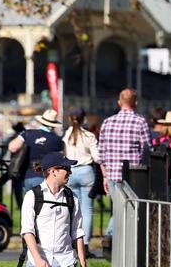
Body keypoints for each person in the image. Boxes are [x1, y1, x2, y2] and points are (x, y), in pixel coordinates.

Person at [97, 88, 151, 246]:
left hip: (112, 174)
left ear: (119, 103)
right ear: (136, 103)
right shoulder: (140, 122)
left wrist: (105, 176)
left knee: (120, 208)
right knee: (129, 210)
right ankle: (113, 237)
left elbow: (101, 154)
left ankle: (115, 240)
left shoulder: (107, 122)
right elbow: (147, 148)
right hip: (133, 173)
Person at [21, 154, 87, 267]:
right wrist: (38, 261)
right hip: (39, 260)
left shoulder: (72, 198)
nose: (70, 172)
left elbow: (77, 231)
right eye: (66, 168)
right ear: (53, 171)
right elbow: (28, 232)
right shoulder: (32, 196)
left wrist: (83, 261)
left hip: (66, 261)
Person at [61, 108, 100, 254]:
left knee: (73, 209)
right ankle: (85, 244)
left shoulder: (66, 135)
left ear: (70, 119)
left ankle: (73, 241)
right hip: (86, 171)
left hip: (71, 171)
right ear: (84, 119)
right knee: (87, 210)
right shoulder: (89, 136)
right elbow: (96, 157)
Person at [10, 109, 65, 193]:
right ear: (53, 124)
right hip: (47, 177)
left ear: (41, 121)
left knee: (31, 204)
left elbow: (12, 147)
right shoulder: (57, 140)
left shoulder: (27, 133)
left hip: (29, 175)